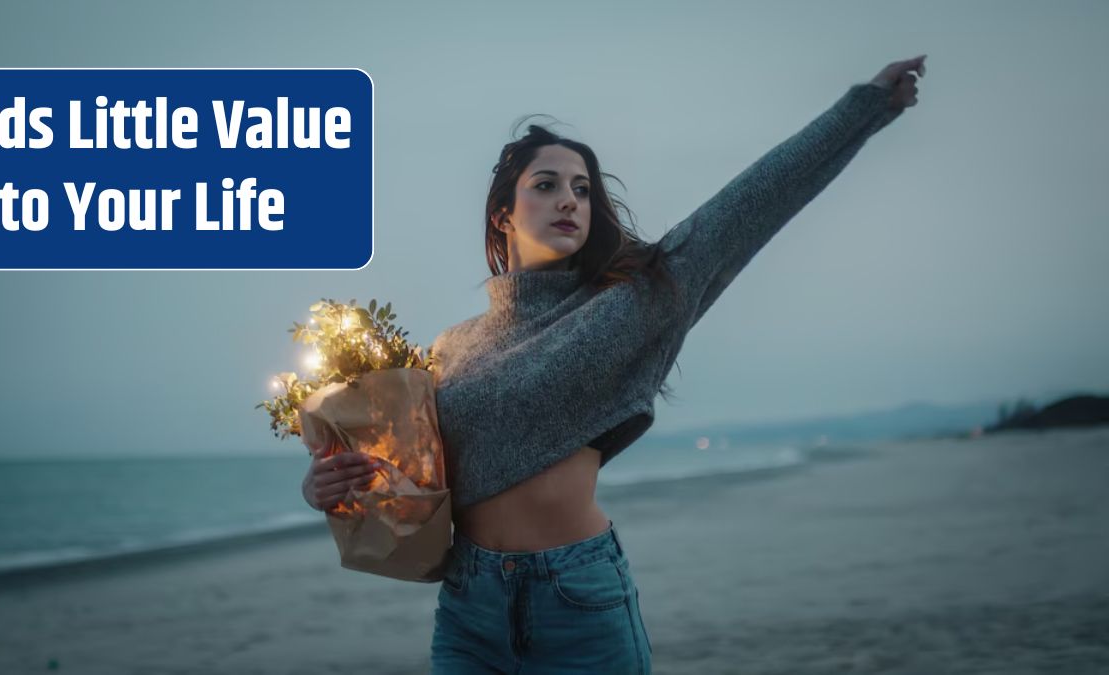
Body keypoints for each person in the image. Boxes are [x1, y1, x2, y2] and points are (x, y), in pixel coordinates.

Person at [304, 55, 927, 673]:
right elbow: (409, 485)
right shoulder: (450, 348)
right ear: (504, 214)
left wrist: (865, 107)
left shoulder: (630, 305)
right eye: (546, 185)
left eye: (582, 189)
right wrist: (331, 489)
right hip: (470, 609)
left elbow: (750, 205)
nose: (569, 201)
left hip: (576, 601)